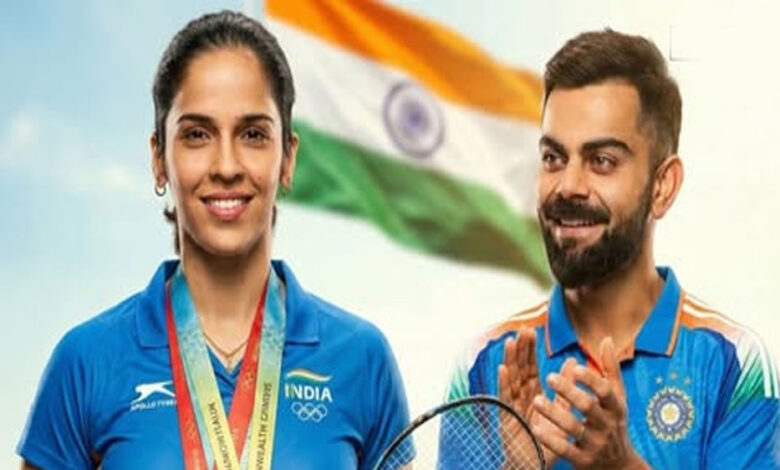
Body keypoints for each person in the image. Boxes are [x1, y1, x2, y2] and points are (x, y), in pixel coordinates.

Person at [17, 11, 409, 470]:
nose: (226, 166)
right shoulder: (85, 362)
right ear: (159, 159)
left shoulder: (362, 359)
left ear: (288, 159)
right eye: (197, 135)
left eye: (253, 134)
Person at [447, 29, 780, 469]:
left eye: (602, 161)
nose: (568, 185)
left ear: (662, 187)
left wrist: (621, 465)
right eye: (553, 158)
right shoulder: (483, 365)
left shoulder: (735, 361)